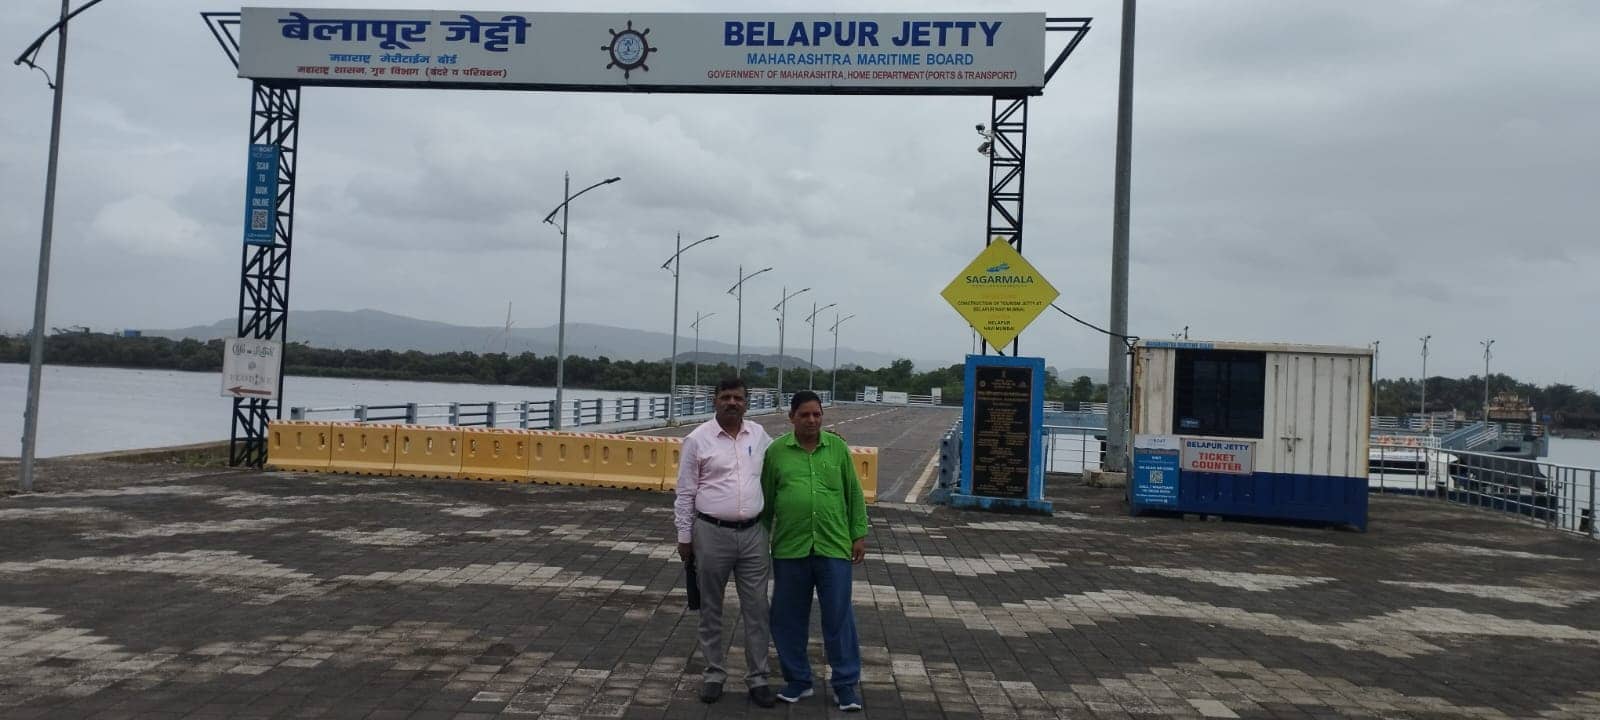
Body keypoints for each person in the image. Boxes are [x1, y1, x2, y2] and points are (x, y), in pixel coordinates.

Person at [761, 390, 869, 712]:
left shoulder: (837, 448)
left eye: (817, 414)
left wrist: (858, 534)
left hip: (833, 545)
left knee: (838, 617)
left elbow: (853, 493)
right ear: (791, 417)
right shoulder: (776, 452)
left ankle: (845, 685)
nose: (811, 420)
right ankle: (798, 680)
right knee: (788, 617)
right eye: (805, 415)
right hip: (790, 548)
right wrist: (760, 539)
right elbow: (765, 499)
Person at [673, 377, 776, 707]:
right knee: (710, 607)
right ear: (714, 400)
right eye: (726, 397)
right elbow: (685, 492)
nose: (732, 402)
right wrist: (684, 536)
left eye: (738, 398)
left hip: (754, 535)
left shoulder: (759, 435)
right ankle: (714, 674)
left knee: (757, 608)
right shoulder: (697, 439)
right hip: (711, 533)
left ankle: (758, 677)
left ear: (747, 402)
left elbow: (784, 459)